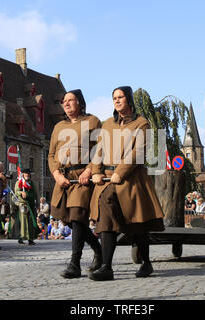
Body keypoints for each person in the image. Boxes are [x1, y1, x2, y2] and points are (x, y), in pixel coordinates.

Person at [90, 86, 165, 281]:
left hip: (132, 179)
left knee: (137, 224)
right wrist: (96, 171)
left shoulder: (142, 124)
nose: (116, 100)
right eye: (114, 97)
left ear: (129, 99)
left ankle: (146, 262)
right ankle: (106, 266)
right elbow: (98, 151)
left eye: (120, 97)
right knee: (105, 220)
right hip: (107, 181)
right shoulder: (107, 124)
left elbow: (138, 152)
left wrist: (121, 171)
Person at [48, 89, 103, 279]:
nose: (67, 103)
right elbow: (51, 155)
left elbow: (99, 149)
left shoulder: (92, 121)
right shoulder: (58, 127)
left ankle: (75, 264)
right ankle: (98, 249)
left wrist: (89, 170)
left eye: (71, 100)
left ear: (80, 102)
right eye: (64, 101)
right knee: (67, 219)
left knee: (78, 215)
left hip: (82, 177)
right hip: (63, 177)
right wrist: (56, 174)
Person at [14, 169, 39, 245]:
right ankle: (21, 237)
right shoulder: (19, 182)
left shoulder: (32, 183)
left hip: (31, 204)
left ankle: (30, 238)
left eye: (28, 174)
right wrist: (22, 192)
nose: (27, 175)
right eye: (25, 174)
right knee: (23, 222)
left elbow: (36, 194)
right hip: (23, 204)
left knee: (31, 222)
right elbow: (16, 192)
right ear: (23, 174)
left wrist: (37, 203)